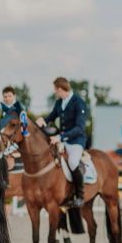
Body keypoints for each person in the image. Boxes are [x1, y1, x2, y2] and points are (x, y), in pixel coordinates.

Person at [36, 77, 88, 207]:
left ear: (60, 89)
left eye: (55, 90)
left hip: (76, 140)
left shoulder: (78, 102)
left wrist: (61, 137)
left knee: (72, 161)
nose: (55, 93)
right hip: (62, 139)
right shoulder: (60, 102)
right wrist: (43, 121)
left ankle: (80, 195)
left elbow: (79, 128)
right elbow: (52, 116)